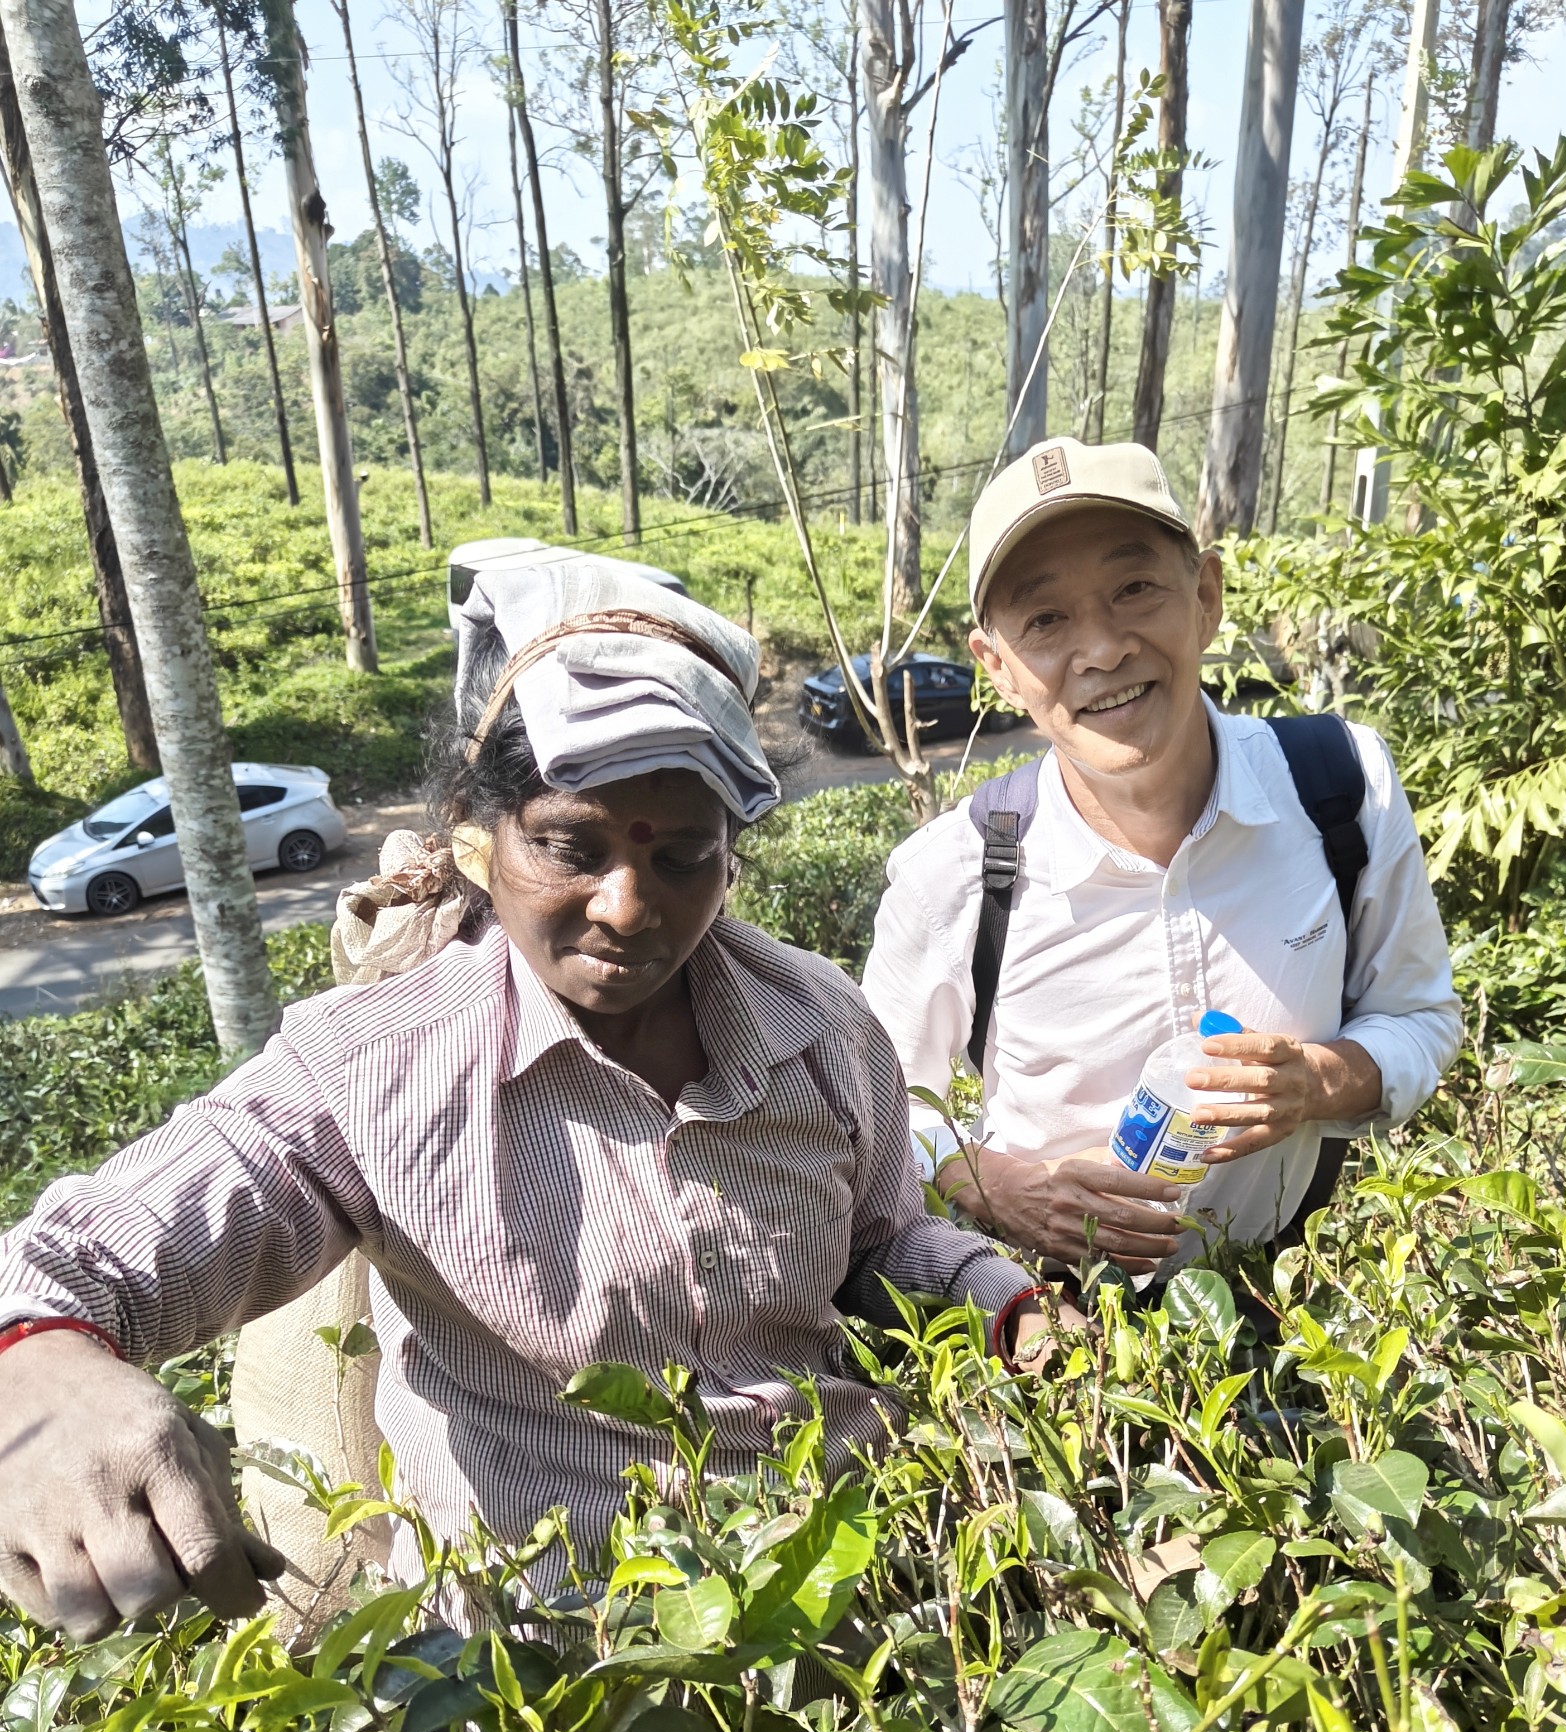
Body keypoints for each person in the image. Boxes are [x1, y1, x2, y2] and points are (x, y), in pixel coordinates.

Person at [0, 560, 1043, 1644]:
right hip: (546, 1668)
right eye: (567, 847)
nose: (628, 906)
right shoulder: (380, 1069)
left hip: (846, 1605)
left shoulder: (820, 1026)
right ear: (476, 829)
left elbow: (878, 1248)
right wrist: (37, 1365)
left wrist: (998, 1298)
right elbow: (90, 1254)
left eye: (683, 855)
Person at [862, 436, 1463, 1277]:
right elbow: (869, 1110)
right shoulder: (953, 872)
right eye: (1045, 620)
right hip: (1061, 1335)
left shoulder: (1341, 786)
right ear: (997, 667)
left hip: (1293, 1296)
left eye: (1135, 588)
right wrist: (994, 1185)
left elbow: (1420, 1018)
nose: (1103, 649)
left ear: (1206, 597)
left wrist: (1321, 1083)